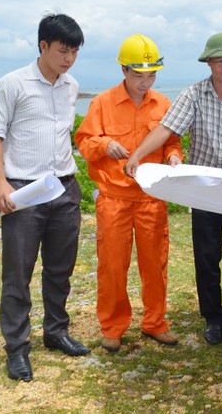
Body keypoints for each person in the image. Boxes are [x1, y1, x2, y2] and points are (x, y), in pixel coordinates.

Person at [123, 31, 222, 346]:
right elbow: (167, 128)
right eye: (220, 61)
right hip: (203, 190)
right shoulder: (193, 95)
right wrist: (137, 154)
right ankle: (213, 318)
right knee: (206, 256)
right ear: (209, 63)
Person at [0, 13, 90, 382]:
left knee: (61, 267)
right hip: (23, 190)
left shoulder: (71, 85)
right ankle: (16, 347)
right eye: (63, 50)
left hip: (64, 186)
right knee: (18, 273)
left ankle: (56, 331)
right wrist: (1, 182)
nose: (69, 59)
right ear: (42, 46)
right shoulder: (11, 84)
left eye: (74, 51)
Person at [74, 34, 184, 353]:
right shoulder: (102, 103)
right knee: (112, 264)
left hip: (152, 198)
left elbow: (172, 141)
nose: (144, 82)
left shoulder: (162, 103)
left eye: (151, 75)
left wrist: (174, 156)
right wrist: (105, 144)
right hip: (114, 198)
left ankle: (155, 323)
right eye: (138, 75)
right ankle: (113, 327)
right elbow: (84, 141)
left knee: (155, 263)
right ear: (123, 70)